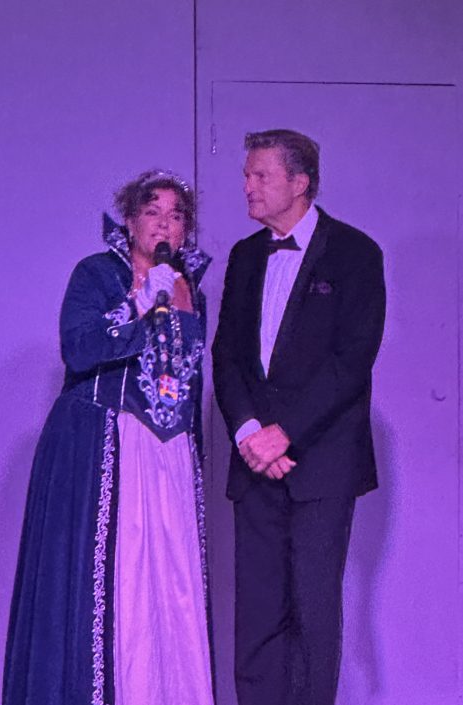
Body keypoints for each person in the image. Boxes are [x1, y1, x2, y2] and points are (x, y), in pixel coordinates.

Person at [3, 170, 215, 705]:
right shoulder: (97, 274)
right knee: (111, 579)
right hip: (104, 443)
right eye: (152, 213)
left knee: (172, 585)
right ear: (129, 220)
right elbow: (79, 349)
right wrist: (142, 305)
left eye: (175, 216)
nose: (164, 225)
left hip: (169, 455)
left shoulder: (192, 288)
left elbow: (188, 379)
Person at [212, 129, 386, 705]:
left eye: (260, 175)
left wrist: (283, 433)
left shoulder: (355, 254)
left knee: (314, 613)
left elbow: (351, 360)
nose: (247, 186)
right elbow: (227, 356)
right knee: (257, 617)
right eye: (246, 175)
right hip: (254, 464)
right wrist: (248, 434)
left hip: (321, 464)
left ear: (300, 182)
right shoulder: (244, 256)